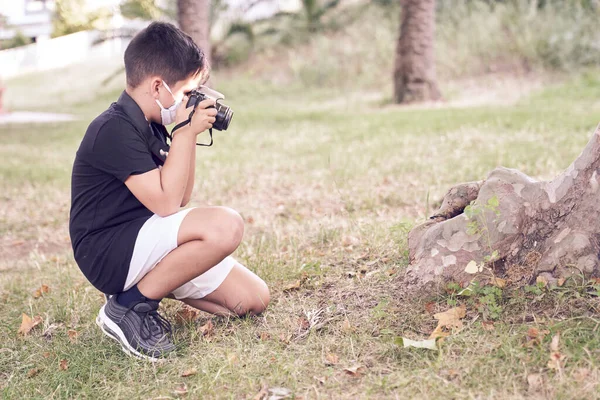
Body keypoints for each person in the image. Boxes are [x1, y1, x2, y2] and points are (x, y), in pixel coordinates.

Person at [69, 22, 269, 362]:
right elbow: (165, 204)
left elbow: (181, 197)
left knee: (252, 299)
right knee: (226, 225)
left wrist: (186, 136)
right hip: (109, 250)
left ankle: (147, 288)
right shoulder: (113, 128)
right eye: (189, 90)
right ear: (158, 86)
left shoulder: (155, 125)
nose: (192, 99)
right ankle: (128, 306)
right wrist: (184, 133)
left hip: (146, 243)